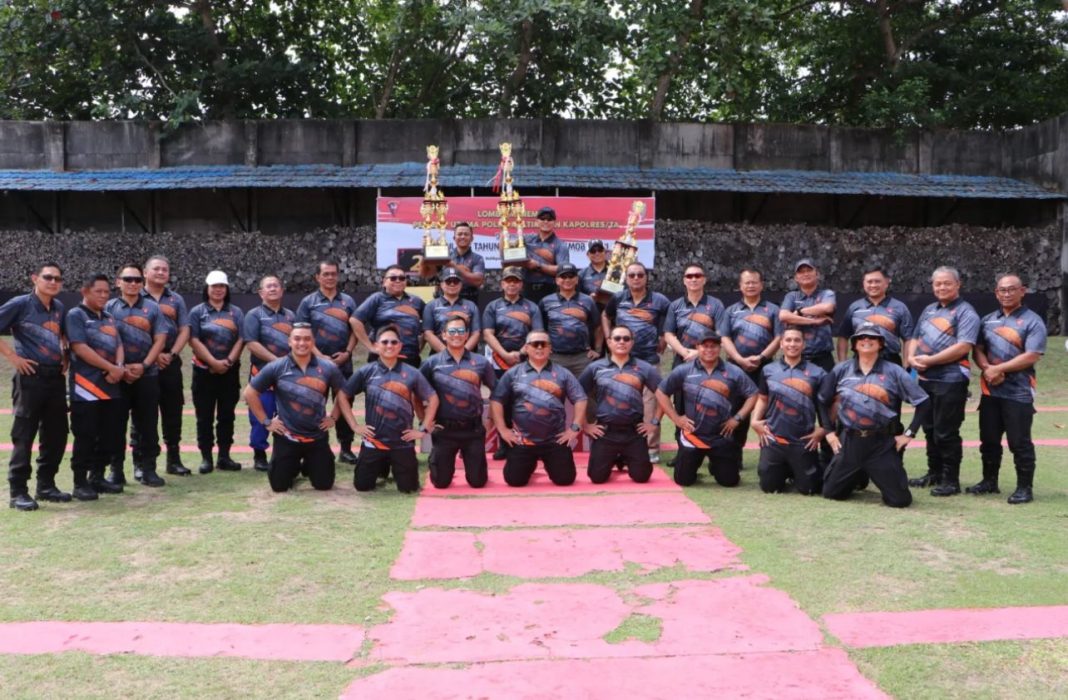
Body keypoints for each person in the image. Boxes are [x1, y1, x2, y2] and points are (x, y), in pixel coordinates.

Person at [819, 322, 930, 508]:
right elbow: (822, 400)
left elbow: (924, 402)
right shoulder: (841, 370)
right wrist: (829, 432)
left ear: (881, 344)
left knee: (899, 501)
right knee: (832, 494)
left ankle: (871, 471)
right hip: (850, 441)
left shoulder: (894, 372)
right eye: (861, 337)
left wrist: (909, 434)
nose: (866, 340)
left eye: (872, 337)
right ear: (854, 344)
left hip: (881, 443)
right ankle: (859, 474)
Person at [244, 322, 351, 492]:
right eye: (297, 339)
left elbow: (344, 393)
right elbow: (250, 393)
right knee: (279, 487)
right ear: (289, 342)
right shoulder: (276, 367)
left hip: (316, 438)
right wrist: (266, 421)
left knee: (323, 485)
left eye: (307, 339)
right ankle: (292, 465)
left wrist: (333, 417)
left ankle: (310, 464)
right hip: (287, 438)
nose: (302, 343)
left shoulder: (328, 367)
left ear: (313, 342)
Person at [971, 273, 1047, 504]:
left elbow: (1032, 355)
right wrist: (987, 369)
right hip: (990, 391)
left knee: (1019, 442)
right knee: (989, 440)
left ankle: (1025, 488)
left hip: (1019, 392)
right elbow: (978, 348)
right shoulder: (987, 320)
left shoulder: (1033, 321)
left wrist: (999, 369)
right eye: (1002, 290)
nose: (1006, 293)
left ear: (1022, 291)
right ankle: (989, 481)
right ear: (996, 293)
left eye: (1011, 289)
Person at [0, 262, 70, 511]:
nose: (53, 282)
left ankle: (46, 485)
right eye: (48, 277)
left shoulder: (59, 307)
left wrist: (65, 357)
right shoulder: (20, 304)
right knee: (24, 434)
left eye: (58, 278)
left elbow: (62, 335)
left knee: (57, 433)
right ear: (35, 278)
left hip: (55, 380)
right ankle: (18, 491)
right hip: (30, 377)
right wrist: (13, 358)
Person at [906, 266, 981, 495]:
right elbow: (915, 337)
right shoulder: (929, 310)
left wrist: (930, 360)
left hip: (951, 378)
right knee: (929, 428)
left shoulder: (966, 312)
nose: (942, 287)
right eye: (937, 284)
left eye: (947, 283)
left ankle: (951, 481)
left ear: (958, 285)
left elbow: (963, 346)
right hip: (925, 378)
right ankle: (934, 473)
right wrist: (910, 357)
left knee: (946, 431)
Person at [342, 325, 439, 494]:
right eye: (384, 342)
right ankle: (382, 467)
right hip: (374, 442)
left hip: (402, 443)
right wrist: (355, 426)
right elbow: (343, 395)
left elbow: (433, 398)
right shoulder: (366, 371)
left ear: (400, 346)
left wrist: (423, 429)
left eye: (394, 342)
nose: (389, 345)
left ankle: (393, 468)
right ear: (376, 346)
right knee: (363, 487)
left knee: (408, 489)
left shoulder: (412, 373)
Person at [655, 330, 758, 488]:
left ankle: (715, 465)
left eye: (714, 346)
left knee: (729, 482)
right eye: (705, 346)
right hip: (693, 435)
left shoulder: (733, 371)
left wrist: (737, 418)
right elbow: (661, 392)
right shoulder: (684, 370)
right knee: (683, 481)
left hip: (721, 436)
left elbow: (753, 394)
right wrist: (676, 418)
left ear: (720, 348)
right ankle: (693, 465)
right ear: (697, 347)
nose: (709, 350)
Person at [491, 330, 587, 487]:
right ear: (527, 348)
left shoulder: (563, 373)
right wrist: (502, 430)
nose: (540, 347)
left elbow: (580, 399)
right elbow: (496, 401)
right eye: (535, 344)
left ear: (550, 349)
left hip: (555, 440)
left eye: (544, 344)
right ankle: (530, 464)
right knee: (514, 481)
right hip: (523, 441)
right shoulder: (513, 373)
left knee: (565, 480)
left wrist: (575, 428)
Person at [106, 263, 168, 487]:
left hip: (147, 375)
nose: (133, 284)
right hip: (117, 377)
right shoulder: (109, 307)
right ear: (118, 282)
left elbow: (160, 338)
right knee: (115, 425)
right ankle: (116, 471)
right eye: (128, 279)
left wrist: (144, 365)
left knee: (148, 425)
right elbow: (104, 341)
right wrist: (120, 368)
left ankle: (148, 468)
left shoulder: (152, 308)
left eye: (137, 280)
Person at [65, 274, 126, 501]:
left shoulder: (109, 317)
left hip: (111, 387)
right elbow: (80, 348)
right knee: (86, 436)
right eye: (97, 291)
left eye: (106, 292)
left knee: (108, 436)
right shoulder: (75, 315)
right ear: (85, 291)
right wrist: (111, 367)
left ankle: (97, 477)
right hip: (86, 388)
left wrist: (118, 368)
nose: (103, 295)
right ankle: (80, 482)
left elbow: (118, 344)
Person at [602, 261, 670, 462]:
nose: (636, 278)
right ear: (626, 278)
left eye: (640, 275)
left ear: (646, 277)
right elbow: (606, 315)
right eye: (631, 275)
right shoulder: (618, 298)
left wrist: (664, 337)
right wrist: (608, 338)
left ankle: (651, 448)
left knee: (650, 404)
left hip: (649, 359)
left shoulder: (659, 300)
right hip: (622, 361)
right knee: (621, 402)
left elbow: (670, 319)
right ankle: (620, 445)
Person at [578, 325, 663, 484]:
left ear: (632, 343)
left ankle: (623, 458)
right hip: (605, 432)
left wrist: (655, 422)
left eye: (626, 338)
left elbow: (664, 395)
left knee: (642, 477)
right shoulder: (595, 367)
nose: (621, 342)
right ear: (609, 342)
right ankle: (615, 458)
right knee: (597, 478)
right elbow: (577, 395)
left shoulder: (645, 368)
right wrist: (585, 425)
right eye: (617, 338)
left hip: (634, 432)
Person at [420, 316, 497, 488]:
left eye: (461, 331)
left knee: (478, 482)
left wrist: (491, 420)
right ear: (444, 335)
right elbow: (415, 393)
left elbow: (497, 393)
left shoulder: (481, 362)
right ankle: (437, 459)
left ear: (467, 334)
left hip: (473, 430)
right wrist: (425, 421)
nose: (457, 335)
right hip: (444, 430)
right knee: (440, 483)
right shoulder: (431, 363)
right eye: (452, 331)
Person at [750, 328, 827, 495]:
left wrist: (823, 429)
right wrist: (754, 421)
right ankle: (785, 468)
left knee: (810, 489)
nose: (792, 344)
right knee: (769, 488)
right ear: (781, 344)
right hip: (774, 439)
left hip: (803, 440)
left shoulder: (818, 372)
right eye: (788, 340)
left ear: (803, 344)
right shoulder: (768, 370)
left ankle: (798, 468)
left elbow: (827, 404)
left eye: (797, 340)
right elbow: (762, 398)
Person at [296, 260, 359, 464]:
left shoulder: (348, 301)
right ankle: (315, 448)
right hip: (315, 365)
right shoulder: (308, 302)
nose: (330, 277)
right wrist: (319, 356)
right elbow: (302, 333)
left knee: (344, 404)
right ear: (317, 277)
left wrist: (348, 353)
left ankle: (346, 448)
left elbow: (355, 331)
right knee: (314, 405)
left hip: (343, 363)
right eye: (326, 274)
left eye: (333, 274)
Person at [482, 266, 543, 460]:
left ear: (521, 285)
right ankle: (505, 445)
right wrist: (505, 354)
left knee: (527, 403)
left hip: (526, 361)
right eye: (508, 281)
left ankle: (530, 445)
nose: (512, 284)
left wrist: (522, 351)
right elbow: (487, 334)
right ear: (502, 284)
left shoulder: (532, 307)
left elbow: (538, 333)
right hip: (499, 362)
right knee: (502, 402)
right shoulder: (493, 306)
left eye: (515, 281)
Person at [721, 267, 783, 456]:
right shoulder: (731, 311)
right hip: (735, 368)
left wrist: (761, 357)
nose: (750, 285)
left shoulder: (773, 310)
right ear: (740, 286)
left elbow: (780, 337)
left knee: (766, 412)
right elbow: (724, 338)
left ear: (761, 285)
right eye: (746, 282)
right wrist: (740, 359)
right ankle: (733, 455)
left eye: (754, 282)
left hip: (765, 368)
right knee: (735, 411)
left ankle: (770, 455)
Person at [188, 270, 245, 474]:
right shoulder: (197, 312)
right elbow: (193, 339)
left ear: (227, 288)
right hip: (203, 372)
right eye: (214, 286)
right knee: (204, 416)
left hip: (229, 372)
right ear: (207, 288)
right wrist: (212, 361)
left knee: (226, 415)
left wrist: (228, 361)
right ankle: (206, 458)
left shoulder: (236, 312)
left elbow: (241, 339)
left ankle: (224, 456)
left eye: (222, 286)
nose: (218, 290)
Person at [141, 255, 192, 476]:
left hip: (170, 364)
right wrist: (152, 357)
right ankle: (141, 463)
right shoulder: (135, 296)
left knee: (173, 413)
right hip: (144, 365)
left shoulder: (176, 299)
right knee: (143, 415)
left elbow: (185, 330)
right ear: (145, 272)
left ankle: (174, 459)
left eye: (165, 269)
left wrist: (170, 354)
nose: (161, 273)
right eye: (156, 269)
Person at [242, 275, 295, 472]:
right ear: (261, 292)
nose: (272, 289)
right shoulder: (253, 315)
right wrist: (277, 362)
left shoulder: (291, 316)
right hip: (262, 377)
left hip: (287, 379)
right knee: (260, 418)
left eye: (276, 286)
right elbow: (251, 343)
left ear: (281, 291)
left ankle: (284, 454)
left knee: (287, 417)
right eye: (268, 286)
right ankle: (259, 455)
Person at [836, 265, 914, 365]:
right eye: (869, 282)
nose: (873, 285)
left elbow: (908, 339)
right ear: (863, 284)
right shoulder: (854, 307)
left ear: (886, 283)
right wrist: (842, 364)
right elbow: (843, 336)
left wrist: (906, 366)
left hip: (891, 361)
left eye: (877, 281)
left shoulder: (900, 307)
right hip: (860, 362)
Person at [353, 265, 426, 368]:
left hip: (410, 359)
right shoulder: (376, 299)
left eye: (402, 278)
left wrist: (420, 347)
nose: (398, 280)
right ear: (384, 281)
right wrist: (370, 347)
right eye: (393, 278)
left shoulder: (416, 301)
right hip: (382, 359)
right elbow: (355, 320)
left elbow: (428, 327)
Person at [539, 262, 601, 382]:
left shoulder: (588, 300)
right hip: (555, 357)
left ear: (577, 280)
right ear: (557, 280)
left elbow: (598, 326)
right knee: (554, 395)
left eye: (571, 276)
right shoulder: (546, 301)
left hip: (582, 357)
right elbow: (540, 328)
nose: (567, 279)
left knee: (586, 396)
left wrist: (597, 350)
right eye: (563, 276)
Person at [779, 259, 837, 372]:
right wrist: (814, 321)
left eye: (809, 270)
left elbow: (827, 307)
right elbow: (784, 316)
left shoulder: (826, 294)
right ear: (796, 278)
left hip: (823, 357)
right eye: (801, 272)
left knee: (826, 389)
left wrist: (799, 312)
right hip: (797, 356)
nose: (805, 274)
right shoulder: (791, 296)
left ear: (817, 274)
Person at [423, 267, 481, 353]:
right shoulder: (431, 306)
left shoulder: (471, 306)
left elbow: (476, 333)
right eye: (448, 281)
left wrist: (462, 353)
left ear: (461, 284)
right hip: (439, 355)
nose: (452, 284)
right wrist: (446, 353)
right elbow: (428, 334)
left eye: (456, 281)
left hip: (467, 356)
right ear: (441, 284)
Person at [523, 206, 570, 302]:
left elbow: (562, 270)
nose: (546, 221)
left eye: (549, 219)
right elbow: (510, 250)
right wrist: (503, 234)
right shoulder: (527, 239)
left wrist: (538, 266)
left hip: (549, 289)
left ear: (554, 222)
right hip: (526, 288)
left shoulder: (560, 245)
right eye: (542, 218)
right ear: (537, 221)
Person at [448, 222, 485, 304]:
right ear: (454, 238)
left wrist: (454, 267)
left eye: (466, 234)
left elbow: (477, 281)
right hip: (447, 302)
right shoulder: (445, 257)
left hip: (470, 302)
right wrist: (467, 274)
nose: (463, 237)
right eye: (459, 234)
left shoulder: (478, 258)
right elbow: (433, 277)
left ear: (472, 238)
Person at [579, 239, 609, 308]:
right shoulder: (581, 274)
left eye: (600, 250)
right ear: (588, 254)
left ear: (605, 252)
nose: (597, 253)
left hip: (612, 313)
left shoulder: (615, 272)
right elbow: (576, 296)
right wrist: (588, 299)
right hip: (589, 312)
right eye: (593, 251)